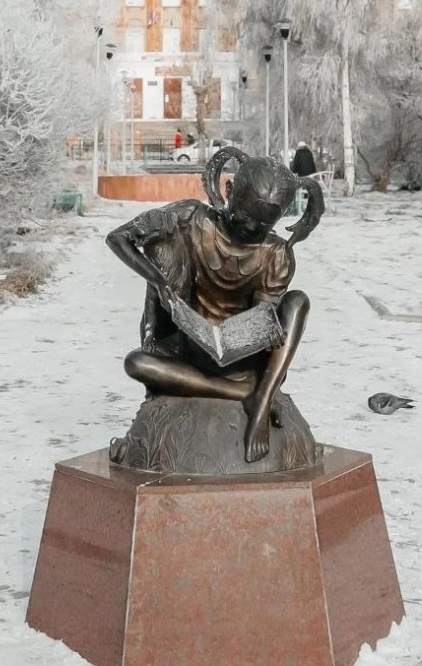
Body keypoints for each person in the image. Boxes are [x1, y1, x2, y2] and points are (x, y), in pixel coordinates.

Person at [106, 148, 324, 462]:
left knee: (298, 302)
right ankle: (243, 396)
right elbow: (120, 238)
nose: (249, 230)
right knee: (136, 363)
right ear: (229, 191)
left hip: (246, 362)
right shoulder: (191, 217)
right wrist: (159, 283)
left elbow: (263, 320)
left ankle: (261, 399)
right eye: (244, 217)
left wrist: (256, 334)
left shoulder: (275, 253)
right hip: (192, 356)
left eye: (260, 227)